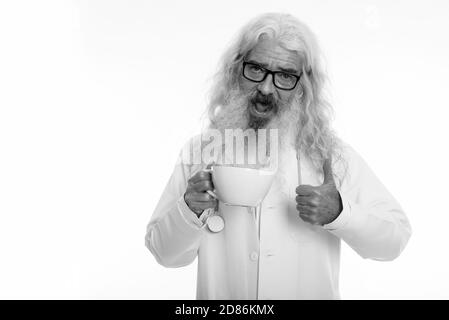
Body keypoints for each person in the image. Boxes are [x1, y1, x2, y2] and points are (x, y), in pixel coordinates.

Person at [145, 12, 412, 299]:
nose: (265, 87)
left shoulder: (329, 155)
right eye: (256, 69)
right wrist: (189, 208)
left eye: (285, 75)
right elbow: (164, 253)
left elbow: (393, 241)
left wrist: (340, 213)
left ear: (304, 86)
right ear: (237, 70)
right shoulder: (202, 150)